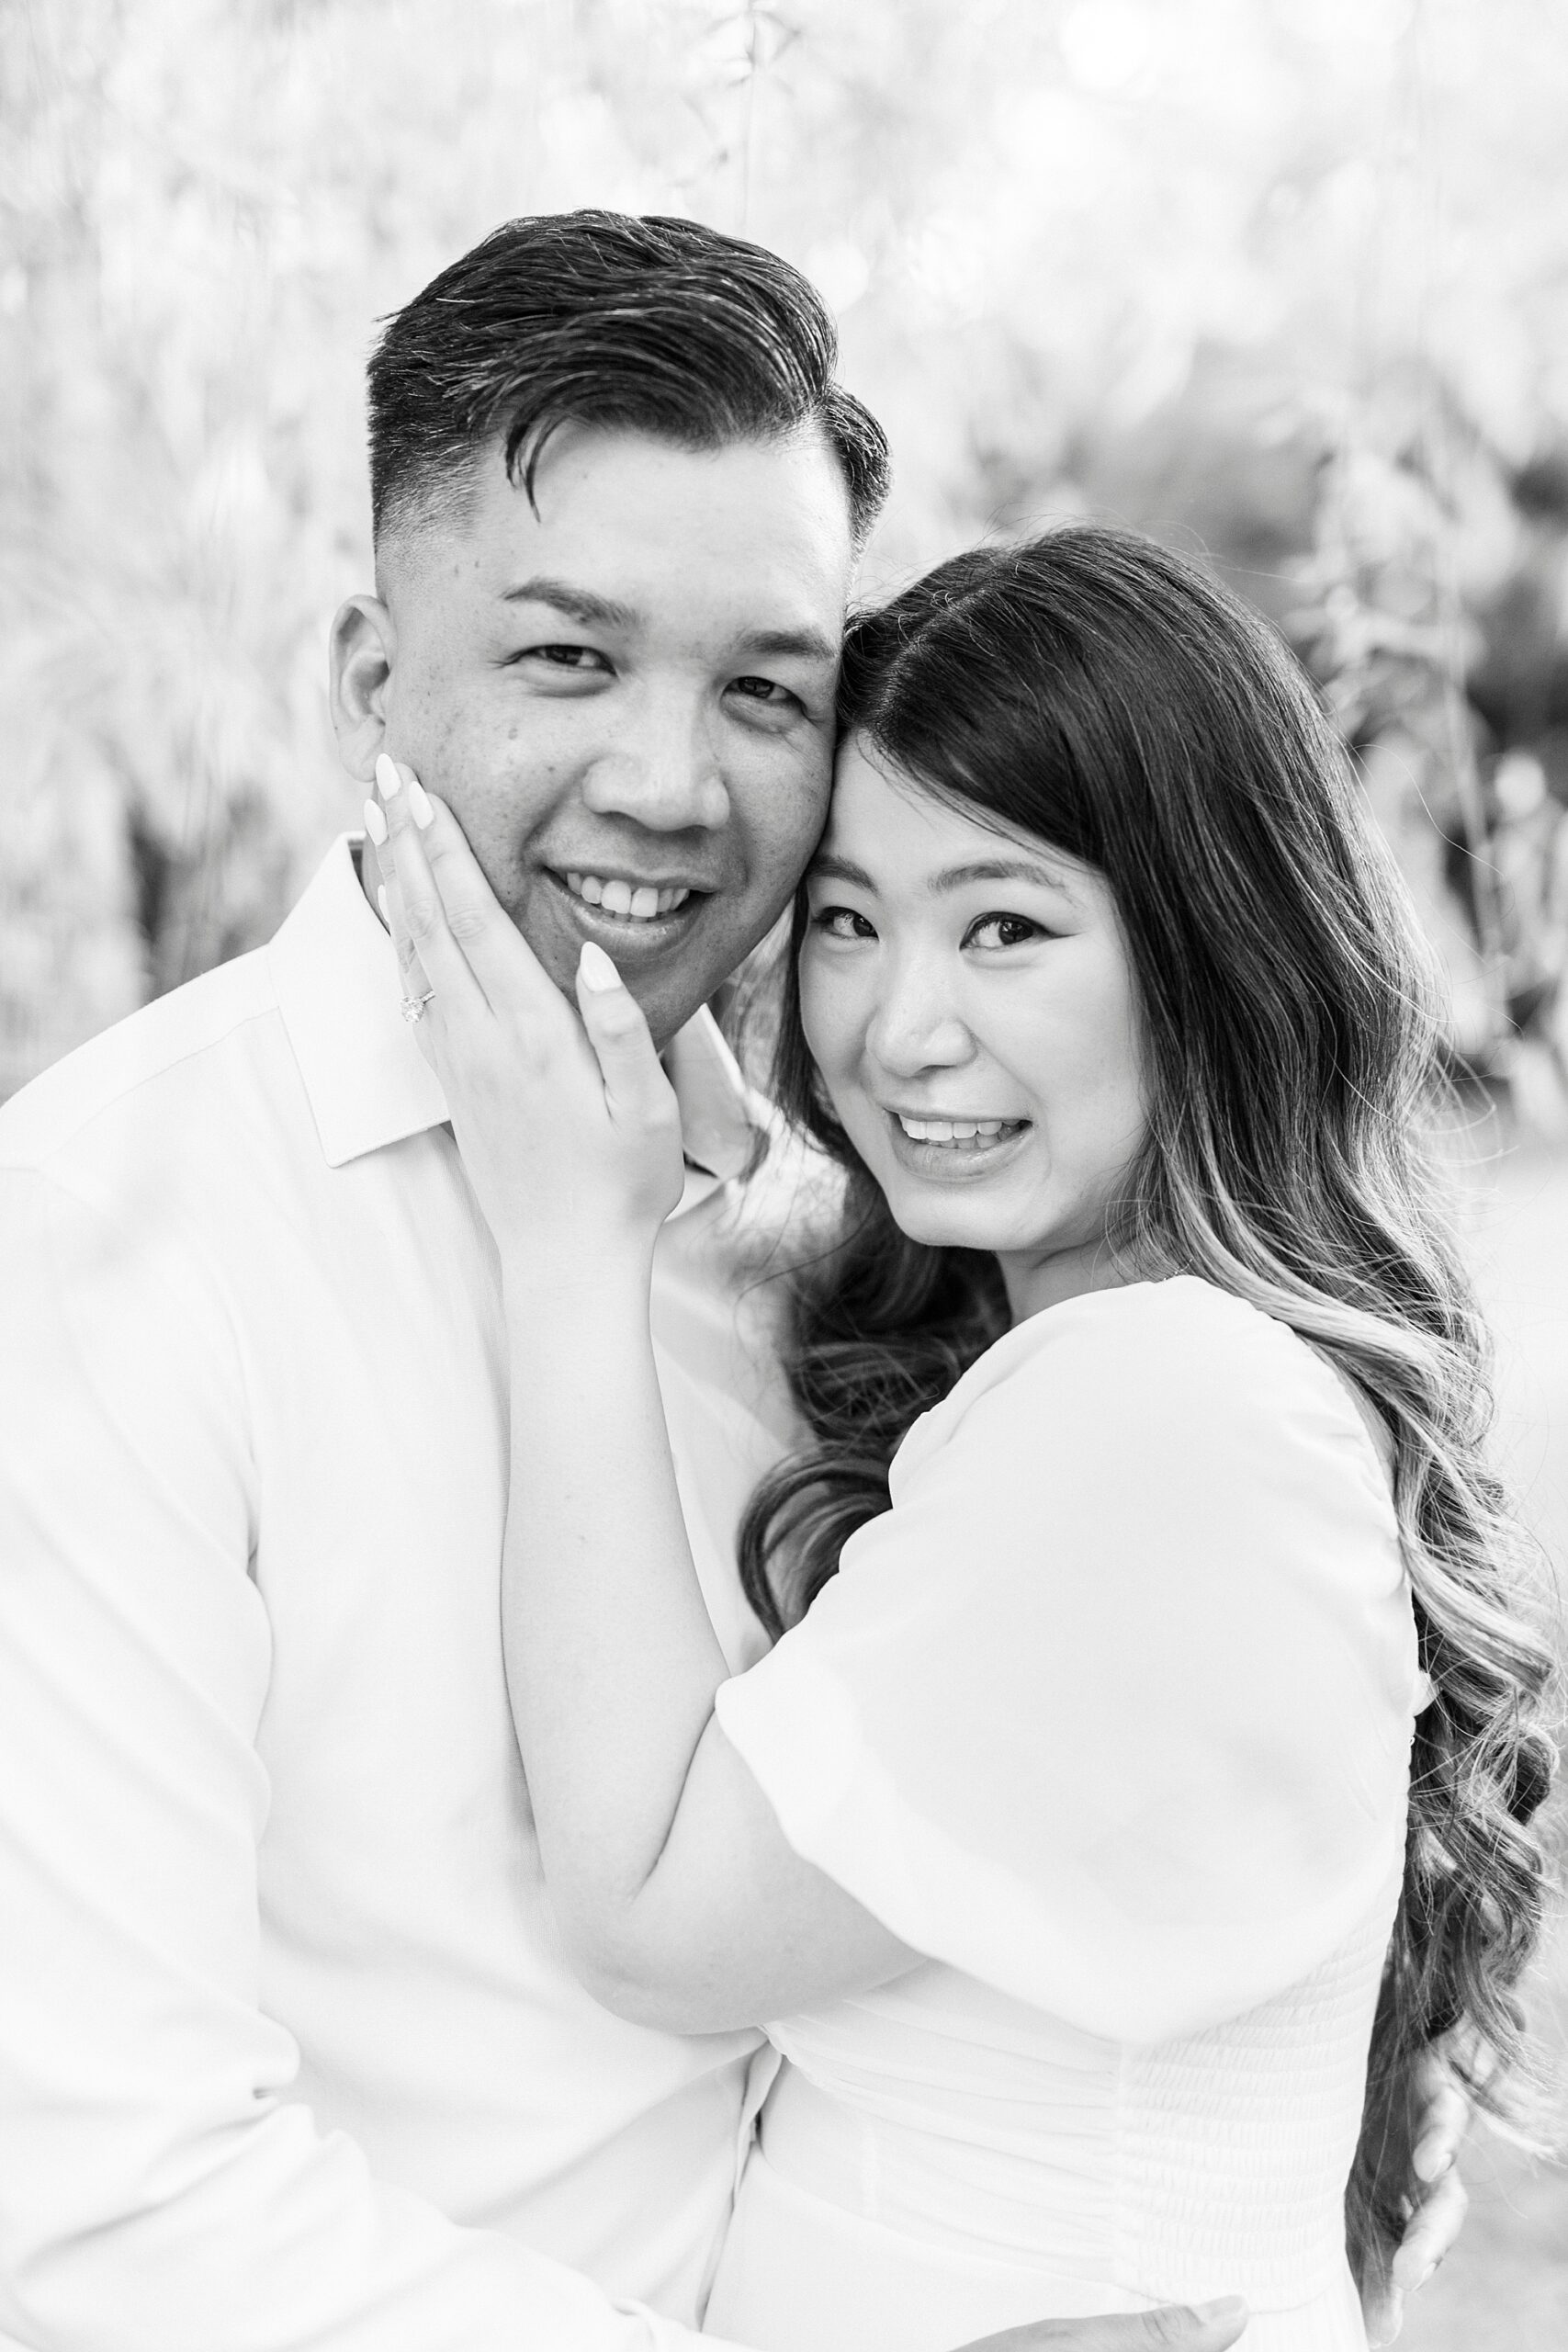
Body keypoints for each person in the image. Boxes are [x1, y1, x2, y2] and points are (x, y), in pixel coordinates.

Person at [0, 214, 1461, 2352]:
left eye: (764, 687)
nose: (674, 786)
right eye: (568, 658)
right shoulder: (102, 1237)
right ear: (369, 679)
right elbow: (97, 2203)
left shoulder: (835, 1244)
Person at [368, 525, 1557, 2352]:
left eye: (1002, 923)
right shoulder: (1135, 1368)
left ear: (1205, 944)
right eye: (845, 920)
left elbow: (648, 1910)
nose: (895, 1027)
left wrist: (566, 1243)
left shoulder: (1156, 1408)